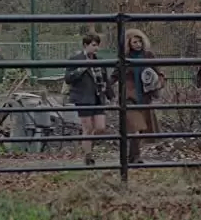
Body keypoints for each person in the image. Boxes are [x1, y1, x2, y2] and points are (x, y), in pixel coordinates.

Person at [111, 28, 166, 164]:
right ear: (128, 43)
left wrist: (158, 83)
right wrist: (106, 89)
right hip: (129, 98)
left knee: (140, 130)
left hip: (145, 97)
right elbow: (114, 75)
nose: (138, 44)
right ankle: (136, 157)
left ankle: (131, 157)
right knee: (136, 127)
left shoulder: (148, 56)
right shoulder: (124, 58)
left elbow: (159, 73)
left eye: (139, 41)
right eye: (134, 42)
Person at [64, 33, 114, 166]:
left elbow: (105, 80)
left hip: (98, 97)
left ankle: (87, 146)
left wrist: (111, 95)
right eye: (93, 45)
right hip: (83, 97)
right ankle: (88, 156)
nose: (96, 48)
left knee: (100, 127)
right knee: (88, 128)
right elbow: (68, 78)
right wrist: (82, 68)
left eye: (97, 45)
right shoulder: (75, 59)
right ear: (85, 45)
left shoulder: (99, 60)